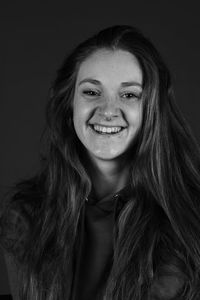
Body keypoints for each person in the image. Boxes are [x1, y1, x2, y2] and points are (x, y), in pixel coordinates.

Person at [1, 24, 200, 300]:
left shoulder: (189, 221)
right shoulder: (26, 217)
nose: (107, 110)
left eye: (129, 94)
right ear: (69, 104)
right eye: (92, 92)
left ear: (152, 109)